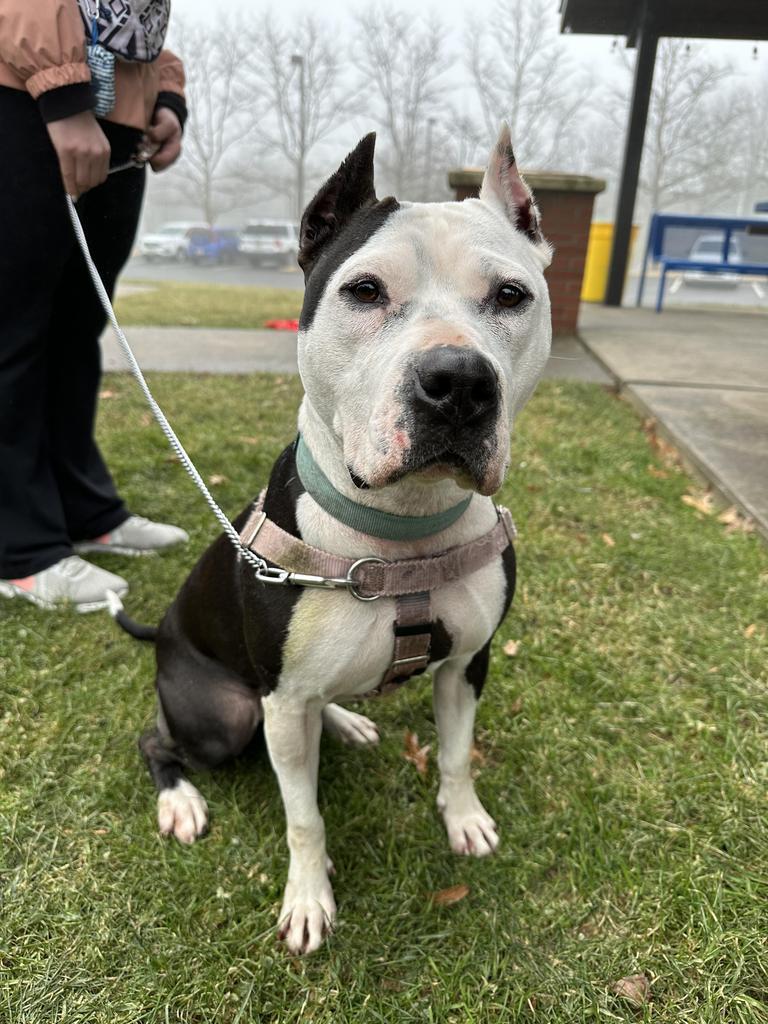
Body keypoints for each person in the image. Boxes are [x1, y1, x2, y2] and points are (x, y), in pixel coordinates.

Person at [0, 0, 189, 612]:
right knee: (13, 330)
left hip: (115, 116)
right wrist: (61, 93)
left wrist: (165, 97)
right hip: (24, 93)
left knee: (75, 329)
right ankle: (18, 547)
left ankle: (81, 508)